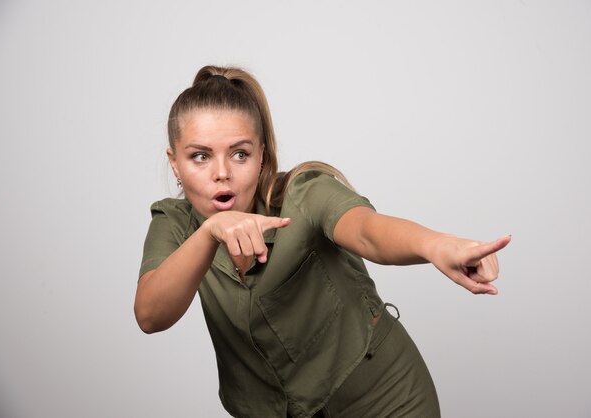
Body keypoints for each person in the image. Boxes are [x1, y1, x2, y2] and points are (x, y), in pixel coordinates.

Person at [134, 65, 511, 418]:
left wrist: (437, 246)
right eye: (200, 156)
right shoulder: (175, 223)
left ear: (262, 156)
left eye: (240, 154)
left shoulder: (304, 193)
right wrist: (209, 232)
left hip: (383, 398)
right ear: (175, 163)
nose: (222, 173)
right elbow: (151, 316)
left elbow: (368, 231)